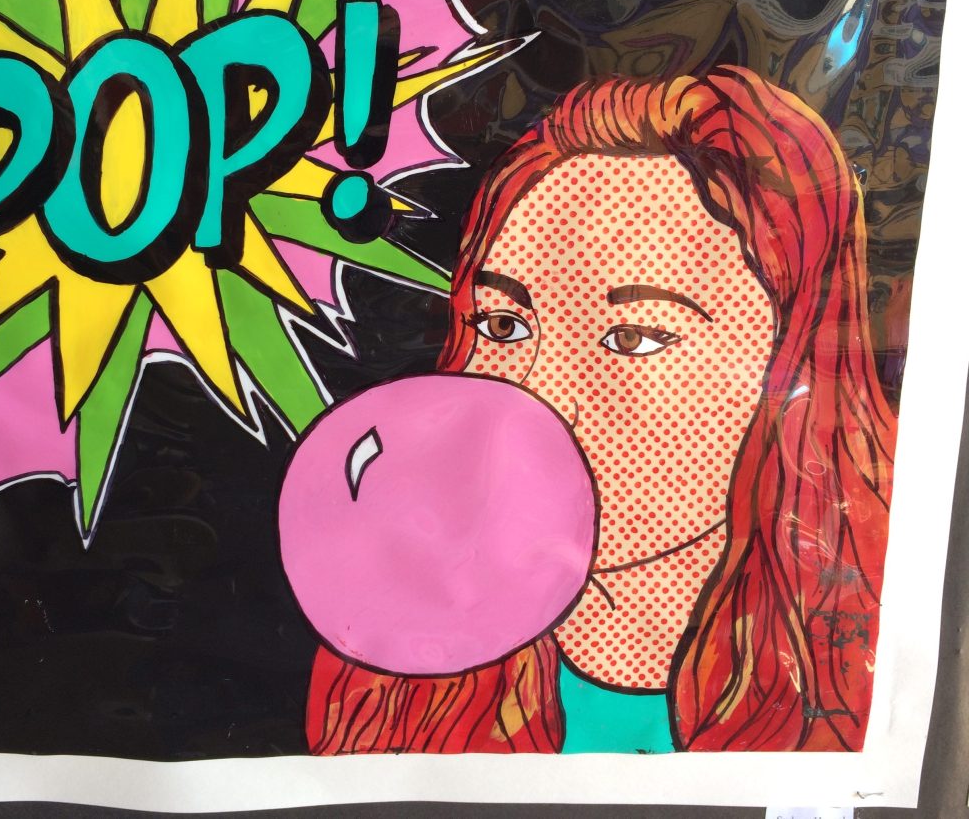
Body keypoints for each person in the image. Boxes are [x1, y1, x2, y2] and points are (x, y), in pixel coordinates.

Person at [304, 66, 896, 754]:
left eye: (634, 337)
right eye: (503, 327)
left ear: (787, 357)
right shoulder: (392, 671)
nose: (539, 399)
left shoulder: (881, 663)